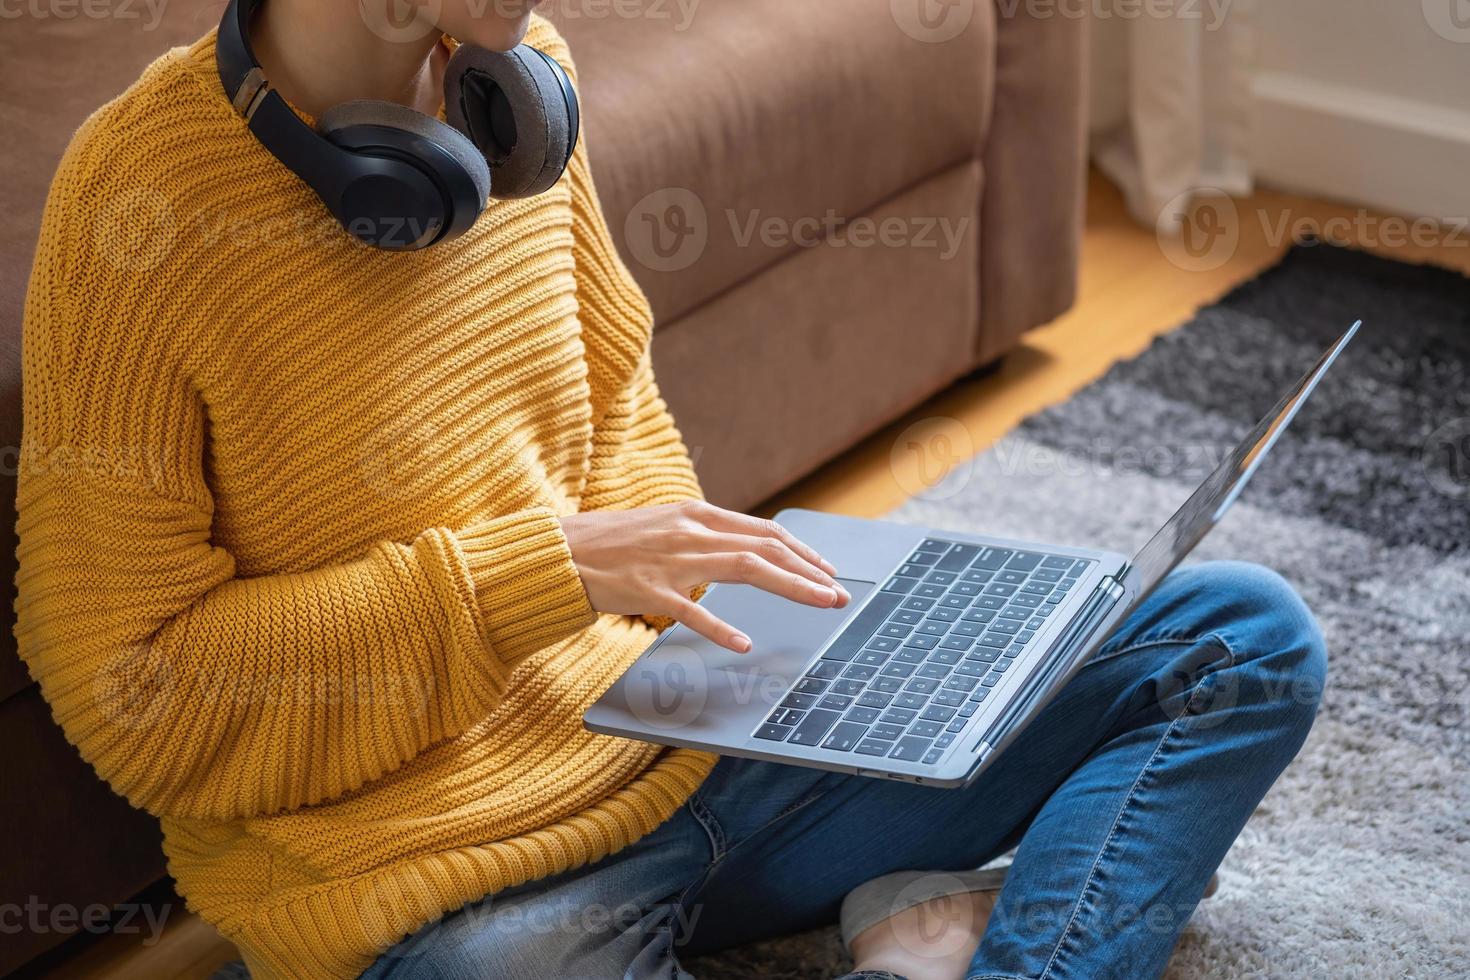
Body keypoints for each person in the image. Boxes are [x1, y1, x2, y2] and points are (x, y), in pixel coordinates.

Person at [15, 2, 1327, 978]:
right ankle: (939, 931)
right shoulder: (142, 201)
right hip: (442, 889)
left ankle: (933, 930)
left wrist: (782, 645)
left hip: (699, 749)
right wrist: (542, 576)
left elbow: (619, 423)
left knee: (1239, 639)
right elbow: (134, 692)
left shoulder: (517, 98)